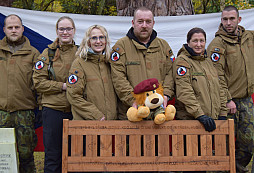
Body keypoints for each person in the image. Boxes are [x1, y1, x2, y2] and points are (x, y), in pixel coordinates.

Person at [207, 5, 254, 173]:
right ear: (221, 20)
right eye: (225, 19)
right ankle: (224, 170)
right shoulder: (217, 45)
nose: (228, 22)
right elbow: (215, 75)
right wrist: (227, 99)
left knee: (248, 142)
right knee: (224, 144)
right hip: (226, 102)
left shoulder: (249, 37)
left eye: (232, 19)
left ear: (239, 20)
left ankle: (239, 169)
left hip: (247, 100)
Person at [110, 7, 175, 119]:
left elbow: (171, 73)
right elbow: (118, 78)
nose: (144, 25)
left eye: (148, 22)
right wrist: (134, 101)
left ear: (153, 23)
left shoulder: (163, 46)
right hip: (132, 114)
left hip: (159, 113)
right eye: (140, 21)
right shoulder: (121, 46)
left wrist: (165, 96)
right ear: (133, 23)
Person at [32, 16, 78, 173]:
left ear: (74, 31)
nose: (65, 32)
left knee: (75, 155)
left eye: (68, 29)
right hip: (53, 110)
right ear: (57, 31)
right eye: (61, 29)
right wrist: (62, 86)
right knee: (53, 156)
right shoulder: (47, 53)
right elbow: (38, 82)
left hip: (76, 111)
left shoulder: (81, 53)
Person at [0, 14, 39, 173]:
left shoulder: (34, 53)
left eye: (17, 27)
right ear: (4, 30)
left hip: (25, 112)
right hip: (1, 112)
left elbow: (39, 83)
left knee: (26, 154)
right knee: (3, 155)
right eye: (10, 27)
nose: (14, 30)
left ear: (22, 29)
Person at [173, 27, 227, 130]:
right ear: (188, 42)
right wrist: (200, 115)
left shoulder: (208, 62)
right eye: (195, 41)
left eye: (201, 41)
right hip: (191, 121)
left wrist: (223, 113)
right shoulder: (182, 62)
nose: (199, 44)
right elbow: (184, 91)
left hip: (211, 120)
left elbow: (219, 88)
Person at [66, 25, 117, 120]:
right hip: (87, 126)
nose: (98, 41)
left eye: (101, 37)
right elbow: (73, 95)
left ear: (106, 41)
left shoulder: (110, 63)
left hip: (111, 125)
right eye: (94, 38)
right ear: (88, 42)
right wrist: (96, 115)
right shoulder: (79, 63)